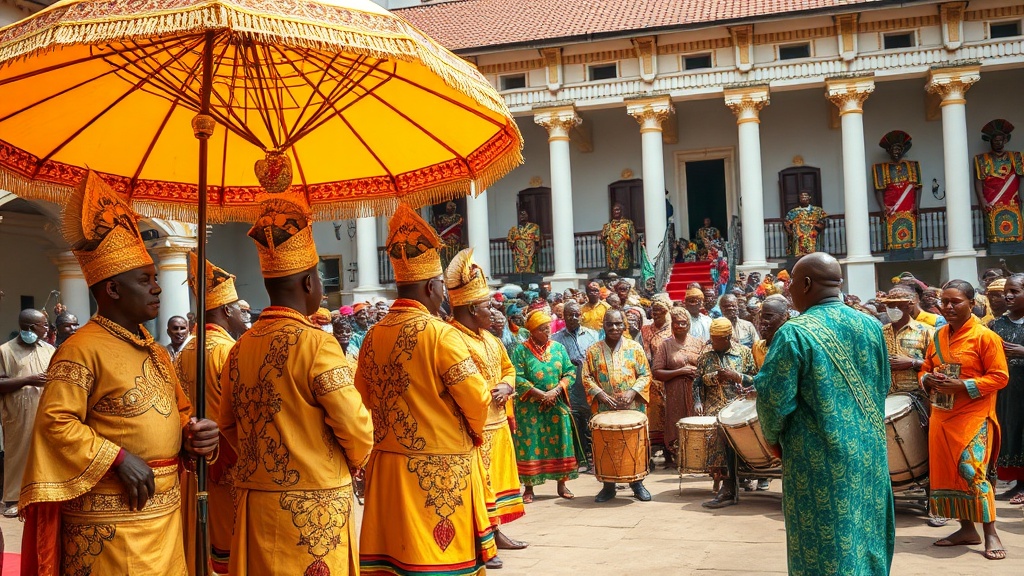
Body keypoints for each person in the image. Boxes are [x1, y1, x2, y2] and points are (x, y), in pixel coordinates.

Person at [19, 170, 218, 574]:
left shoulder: (155, 350)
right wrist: (118, 456)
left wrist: (195, 433)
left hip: (164, 516)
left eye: (157, 280)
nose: (158, 289)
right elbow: (56, 424)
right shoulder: (80, 350)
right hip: (109, 523)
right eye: (145, 281)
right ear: (112, 290)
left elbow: (178, 413)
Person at [219, 197, 373, 574]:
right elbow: (356, 428)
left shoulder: (240, 349)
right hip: (314, 508)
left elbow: (228, 427)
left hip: (257, 502)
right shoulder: (316, 343)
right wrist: (352, 464)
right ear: (309, 283)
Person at [356, 203, 495, 574]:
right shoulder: (441, 334)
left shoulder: (372, 335)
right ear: (433, 286)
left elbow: (362, 398)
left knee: (394, 559)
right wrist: (476, 435)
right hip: (439, 467)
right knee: (438, 560)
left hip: (386, 465)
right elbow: (478, 398)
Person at [755, 252, 894, 575]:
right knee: (865, 534)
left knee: (822, 541)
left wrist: (774, 439)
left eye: (790, 285)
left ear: (805, 284)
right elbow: (883, 383)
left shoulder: (794, 333)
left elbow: (774, 399)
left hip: (817, 459)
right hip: (869, 453)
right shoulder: (872, 326)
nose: (788, 292)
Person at [444, 249, 527, 563]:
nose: (493, 309)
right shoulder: (452, 338)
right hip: (474, 427)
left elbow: (508, 368)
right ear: (468, 308)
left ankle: (497, 533)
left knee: (501, 483)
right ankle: (483, 541)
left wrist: (508, 385)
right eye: (486, 305)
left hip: (499, 423)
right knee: (481, 487)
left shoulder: (490, 338)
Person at [920, 279, 1008, 561]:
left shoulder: (985, 337)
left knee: (972, 472)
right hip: (941, 416)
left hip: (974, 417)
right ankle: (966, 529)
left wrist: (963, 386)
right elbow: (925, 368)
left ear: (972, 303)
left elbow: (999, 377)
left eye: (955, 301)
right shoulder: (937, 336)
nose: (947, 307)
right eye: (944, 301)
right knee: (947, 475)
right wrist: (928, 379)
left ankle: (991, 532)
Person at [173, 254, 248, 574]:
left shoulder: (186, 349)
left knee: (199, 542)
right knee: (230, 549)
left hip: (196, 461)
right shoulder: (229, 350)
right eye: (240, 311)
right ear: (227, 310)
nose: (243, 318)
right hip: (228, 464)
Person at [583, 309, 653, 502]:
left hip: (632, 407)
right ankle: (608, 486)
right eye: (610, 324)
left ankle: (637, 483)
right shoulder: (593, 351)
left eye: (618, 324)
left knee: (634, 444)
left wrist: (632, 392)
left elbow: (646, 374)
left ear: (624, 326)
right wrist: (602, 396)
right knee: (608, 446)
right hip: (606, 408)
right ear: (603, 325)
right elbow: (587, 377)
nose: (614, 328)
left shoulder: (635, 348)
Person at [511, 309, 579, 503]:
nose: (547, 331)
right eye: (542, 329)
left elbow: (569, 372)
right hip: (530, 407)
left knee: (561, 441)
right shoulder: (520, 350)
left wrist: (556, 391)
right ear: (532, 331)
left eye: (548, 327)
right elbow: (517, 376)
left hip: (556, 404)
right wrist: (540, 395)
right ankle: (529, 487)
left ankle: (562, 484)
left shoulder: (558, 348)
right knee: (531, 442)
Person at [694, 318, 757, 508]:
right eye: (712, 338)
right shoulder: (705, 357)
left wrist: (736, 377)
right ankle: (726, 484)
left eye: (717, 339)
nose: (713, 342)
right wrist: (697, 400)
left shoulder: (744, 353)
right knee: (716, 433)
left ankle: (744, 477)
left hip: (738, 406)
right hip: (714, 406)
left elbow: (755, 379)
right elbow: (696, 382)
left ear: (728, 337)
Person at [0, 309, 54, 517]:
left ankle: (41, 494)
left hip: (46, 409)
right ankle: (13, 499)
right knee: (18, 454)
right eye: (44, 325)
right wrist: (27, 380)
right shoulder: (6, 351)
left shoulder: (49, 349)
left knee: (45, 452)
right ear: (31, 328)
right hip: (18, 411)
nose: (47, 328)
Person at [987, 273, 1024, 505]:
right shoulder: (996, 324)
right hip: (1006, 392)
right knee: (1012, 434)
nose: (1008, 296)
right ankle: (1018, 484)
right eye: (1006, 292)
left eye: (1015, 291)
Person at [550, 300, 600, 471]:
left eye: (576, 314)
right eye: (569, 315)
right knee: (575, 425)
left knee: (593, 423)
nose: (573, 317)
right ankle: (580, 459)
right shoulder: (556, 339)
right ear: (563, 317)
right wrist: (569, 362)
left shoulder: (593, 335)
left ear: (581, 315)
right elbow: (554, 365)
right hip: (570, 389)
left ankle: (595, 458)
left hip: (589, 387)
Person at [652, 308, 704, 463]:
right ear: (672, 324)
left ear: (689, 324)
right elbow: (656, 372)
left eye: (684, 323)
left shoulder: (698, 343)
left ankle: (697, 457)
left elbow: (706, 366)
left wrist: (698, 372)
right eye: (677, 323)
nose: (680, 326)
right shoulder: (665, 345)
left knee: (697, 421)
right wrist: (680, 371)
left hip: (695, 392)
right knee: (676, 422)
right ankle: (678, 456)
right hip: (675, 393)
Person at [974, 119, 1024, 246]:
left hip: (1012, 202)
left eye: (1000, 140)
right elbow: (978, 180)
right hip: (992, 202)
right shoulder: (982, 159)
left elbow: (1021, 178)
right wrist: (982, 200)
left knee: (1016, 232)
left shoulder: (1016, 157)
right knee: (994, 234)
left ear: (1005, 140)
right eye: (995, 140)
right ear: (990, 141)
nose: (998, 143)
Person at [879, 286, 934, 395]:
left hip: (916, 395)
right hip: (885, 395)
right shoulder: (880, 332)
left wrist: (913, 362)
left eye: (899, 306)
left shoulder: (926, 332)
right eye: (890, 306)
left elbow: (937, 366)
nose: (894, 310)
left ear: (909, 307)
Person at [874, 130, 923, 253]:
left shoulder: (912, 166)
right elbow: (878, 190)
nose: (896, 152)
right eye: (893, 149)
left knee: (911, 238)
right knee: (892, 239)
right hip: (891, 208)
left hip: (908, 208)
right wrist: (882, 208)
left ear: (903, 150)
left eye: (898, 149)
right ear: (888, 151)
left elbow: (918, 187)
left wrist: (917, 205)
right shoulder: (881, 169)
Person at [783, 191, 828, 257]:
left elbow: (823, 221)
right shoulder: (793, 212)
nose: (803, 198)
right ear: (799, 199)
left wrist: (817, 229)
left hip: (813, 238)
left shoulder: (817, 210)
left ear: (809, 197)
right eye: (802, 197)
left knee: (813, 257)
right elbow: (786, 223)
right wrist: (792, 233)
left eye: (805, 197)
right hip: (798, 240)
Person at [599, 203, 636, 272]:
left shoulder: (628, 224)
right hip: (612, 256)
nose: (616, 212)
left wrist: (627, 238)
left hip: (624, 256)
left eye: (618, 210)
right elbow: (603, 240)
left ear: (622, 211)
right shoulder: (607, 226)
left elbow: (633, 238)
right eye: (614, 210)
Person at [507, 210, 542, 274]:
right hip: (518, 253)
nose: (522, 216)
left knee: (531, 269)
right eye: (520, 214)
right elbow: (510, 242)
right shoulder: (513, 229)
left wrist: (536, 249)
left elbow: (538, 240)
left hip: (530, 252)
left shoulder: (534, 227)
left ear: (528, 216)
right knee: (519, 270)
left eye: (524, 214)